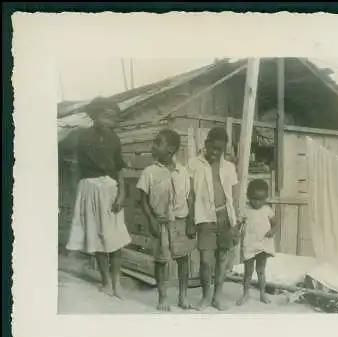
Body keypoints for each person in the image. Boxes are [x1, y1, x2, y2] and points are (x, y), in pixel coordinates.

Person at [66, 96, 131, 299]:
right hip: (90, 188)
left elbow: (119, 167)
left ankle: (117, 282)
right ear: (95, 115)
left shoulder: (114, 138)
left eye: (113, 117)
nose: (111, 120)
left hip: (110, 188)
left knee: (116, 237)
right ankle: (106, 282)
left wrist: (122, 192)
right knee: (99, 237)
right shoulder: (82, 136)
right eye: (107, 116)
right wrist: (78, 193)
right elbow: (74, 166)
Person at [137, 129, 195, 312]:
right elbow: (143, 200)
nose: (153, 146)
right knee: (161, 261)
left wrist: (191, 221)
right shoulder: (149, 172)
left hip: (180, 221)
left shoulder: (183, 171)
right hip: (160, 222)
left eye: (157, 143)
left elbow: (190, 197)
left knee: (183, 260)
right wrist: (151, 220)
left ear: (170, 149)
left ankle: (183, 296)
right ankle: (163, 297)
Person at [186, 127, 241, 311]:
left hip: (225, 217)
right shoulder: (194, 165)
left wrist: (236, 224)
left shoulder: (229, 167)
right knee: (205, 260)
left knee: (222, 259)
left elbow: (234, 197)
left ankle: (217, 296)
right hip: (205, 219)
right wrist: (190, 221)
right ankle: (205, 297)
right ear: (206, 144)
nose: (216, 152)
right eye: (213, 148)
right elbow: (191, 196)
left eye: (220, 149)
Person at [236, 179, 277, 306]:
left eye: (261, 199)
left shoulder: (267, 209)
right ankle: (245, 294)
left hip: (263, 243)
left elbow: (275, 223)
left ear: (265, 198)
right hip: (249, 243)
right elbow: (239, 224)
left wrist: (272, 231)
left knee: (261, 270)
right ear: (249, 197)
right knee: (248, 271)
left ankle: (262, 294)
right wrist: (236, 233)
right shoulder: (245, 209)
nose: (257, 202)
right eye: (254, 199)